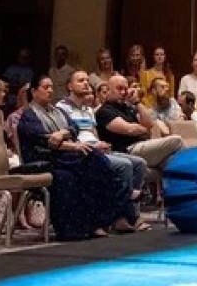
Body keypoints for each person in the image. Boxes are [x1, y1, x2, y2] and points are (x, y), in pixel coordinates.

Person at [18, 73, 126, 240]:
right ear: (34, 91)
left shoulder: (57, 111)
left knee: (87, 168)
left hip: (63, 159)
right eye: (45, 87)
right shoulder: (29, 115)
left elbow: (74, 128)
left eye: (51, 87)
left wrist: (62, 133)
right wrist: (73, 145)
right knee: (85, 162)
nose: (50, 90)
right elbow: (45, 140)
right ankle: (72, 230)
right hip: (42, 160)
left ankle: (92, 223)